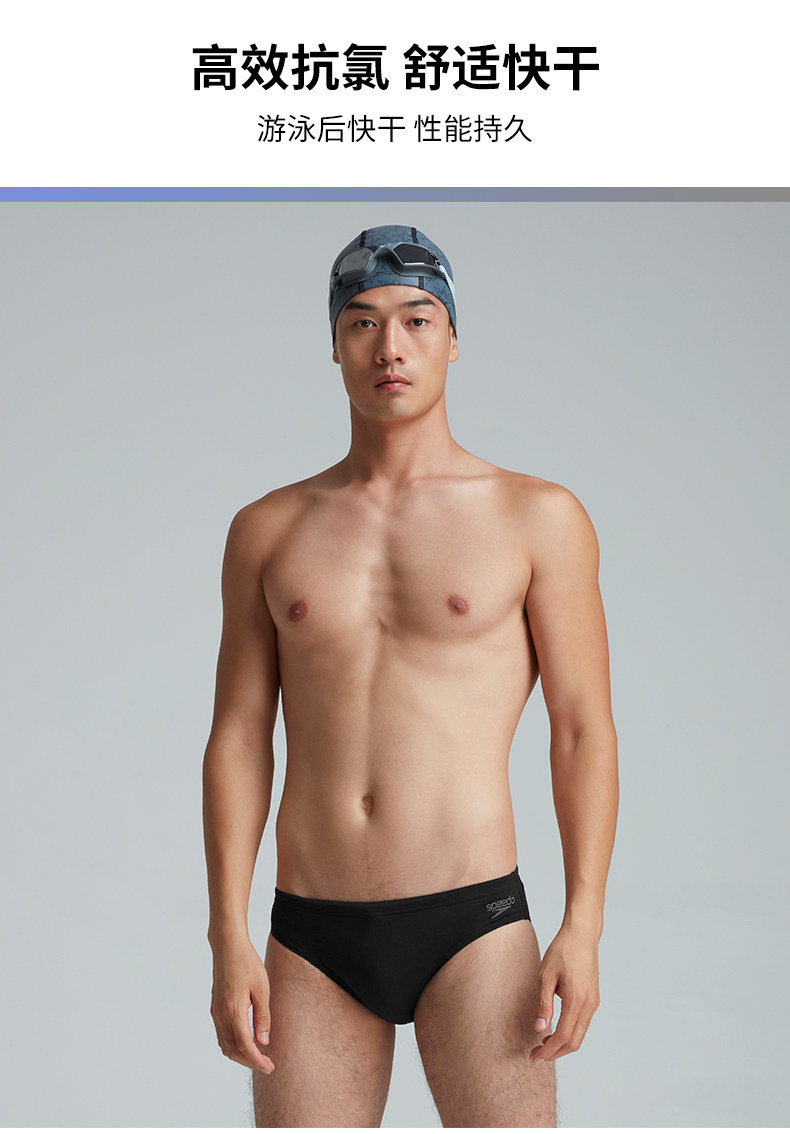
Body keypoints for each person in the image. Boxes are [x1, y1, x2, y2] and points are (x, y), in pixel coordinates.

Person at [202, 224, 619, 1128]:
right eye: (362, 322)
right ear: (335, 345)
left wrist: (583, 922)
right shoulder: (267, 529)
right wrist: (226, 932)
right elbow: (238, 736)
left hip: (474, 924)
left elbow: (583, 728)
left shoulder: (537, 517)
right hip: (311, 933)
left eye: (417, 319)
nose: (389, 346)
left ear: (453, 338)